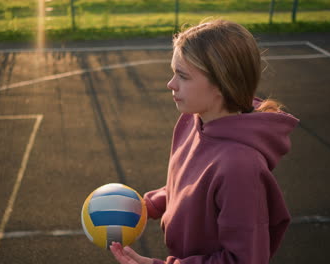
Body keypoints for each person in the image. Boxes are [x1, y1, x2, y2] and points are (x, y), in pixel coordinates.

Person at [110, 19, 299, 264]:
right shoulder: (192, 120)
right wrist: (147, 205)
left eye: (182, 76)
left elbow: (243, 260)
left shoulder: (240, 169)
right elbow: (186, 183)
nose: (171, 84)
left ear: (221, 83)